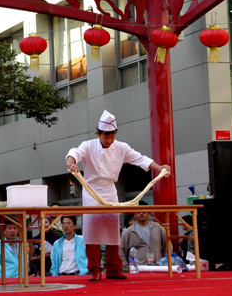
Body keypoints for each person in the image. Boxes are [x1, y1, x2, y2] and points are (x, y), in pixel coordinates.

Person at [65, 109, 171, 281]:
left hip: (109, 190)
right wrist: (71, 163)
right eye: (106, 136)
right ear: (98, 133)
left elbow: (140, 158)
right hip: (91, 191)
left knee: (112, 231)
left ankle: (114, 268)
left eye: (112, 136)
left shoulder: (121, 147)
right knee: (91, 231)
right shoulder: (88, 145)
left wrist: (159, 168)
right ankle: (94, 269)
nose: (109, 140)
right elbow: (74, 152)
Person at [119, 205, 167, 272]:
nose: (141, 213)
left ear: (148, 214)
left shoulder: (157, 227)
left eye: (144, 212)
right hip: (139, 269)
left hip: (158, 267)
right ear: (135, 214)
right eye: (138, 212)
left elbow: (168, 244)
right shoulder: (129, 231)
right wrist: (126, 267)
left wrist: (166, 262)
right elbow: (120, 250)